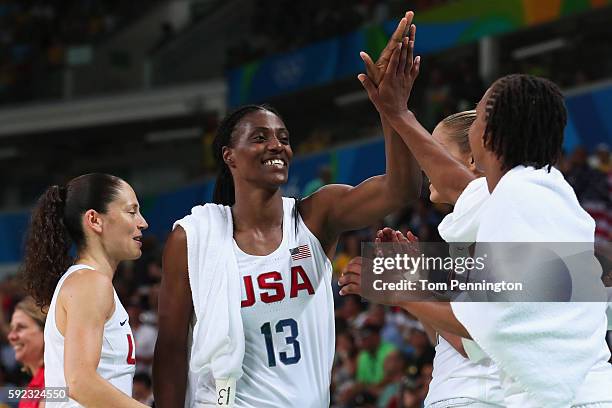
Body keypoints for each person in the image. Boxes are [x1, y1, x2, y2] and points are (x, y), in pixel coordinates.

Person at [153, 11, 423, 407]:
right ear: (229, 155)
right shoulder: (194, 237)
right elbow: (172, 347)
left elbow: (401, 189)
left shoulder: (316, 215)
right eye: (259, 138)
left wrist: (393, 110)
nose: (276, 145)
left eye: (283, 137)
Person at [342, 70, 612, 407]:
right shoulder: (530, 194)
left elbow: (481, 327)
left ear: (489, 137)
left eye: (479, 114)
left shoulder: (517, 199)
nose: (471, 126)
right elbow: (471, 331)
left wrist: (401, 286)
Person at [21, 173, 150, 407]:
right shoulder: (89, 283)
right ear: (94, 219)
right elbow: (80, 382)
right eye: (131, 212)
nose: (142, 222)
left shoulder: (87, 282)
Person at [7, 297, 45, 408]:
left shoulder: (53, 380)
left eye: (21, 327)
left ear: (45, 331)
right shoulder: (35, 385)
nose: (11, 336)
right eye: (12, 329)